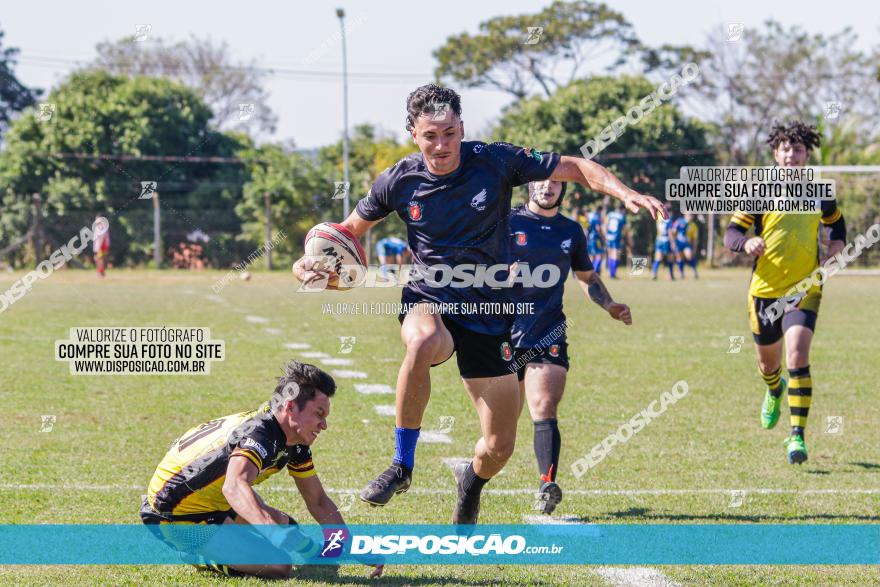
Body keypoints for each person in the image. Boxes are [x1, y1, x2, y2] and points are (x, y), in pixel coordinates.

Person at [293, 83, 666, 525]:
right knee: (422, 340)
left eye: (450, 133)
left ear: (462, 128)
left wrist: (623, 193)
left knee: (498, 446)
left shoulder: (494, 160)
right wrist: (311, 265)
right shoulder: (398, 180)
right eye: (431, 135)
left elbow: (575, 166)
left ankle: (471, 482)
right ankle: (401, 464)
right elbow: (347, 231)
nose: (442, 145)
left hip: (489, 309)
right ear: (414, 132)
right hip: (429, 294)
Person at [140, 360, 383, 579]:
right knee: (279, 565)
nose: (324, 424)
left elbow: (317, 500)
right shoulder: (259, 434)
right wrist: (271, 532)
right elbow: (234, 486)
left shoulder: (292, 440)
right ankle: (196, 555)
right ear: (290, 406)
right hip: (172, 514)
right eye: (319, 414)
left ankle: (315, 554)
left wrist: (347, 545)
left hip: (209, 499)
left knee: (285, 525)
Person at [724, 121, 845, 464]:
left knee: (797, 356)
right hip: (763, 291)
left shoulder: (819, 191)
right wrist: (746, 242)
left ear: (807, 154)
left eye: (798, 149)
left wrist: (837, 244)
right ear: (776, 154)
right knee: (768, 364)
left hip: (805, 288)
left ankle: (797, 438)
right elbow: (731, 233)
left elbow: (837, 222)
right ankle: (773, 389)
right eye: (785, 149)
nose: (792, 155)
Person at [510, 180, 632, 514]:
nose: (548, 187)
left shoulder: (570, 231)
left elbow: (586, 276)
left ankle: (546, 483)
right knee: (500, 433)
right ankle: (474, 478)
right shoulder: (506, 221)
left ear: (564, 191)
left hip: (548, 331)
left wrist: (609, 304)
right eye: (542, 181)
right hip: (502, 332)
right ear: (530, 185)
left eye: (556, 183)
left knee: (544, 403)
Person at [603, 204, 632, 279]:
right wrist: (629, 240)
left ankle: (611, 273)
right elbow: (625, 230)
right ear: (622, 210)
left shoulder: (610, 214)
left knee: (610, 255)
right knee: (615, 256)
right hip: (616, 238)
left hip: (609, 237)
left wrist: (605, 235)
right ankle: (613, 274)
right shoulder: (622, 217)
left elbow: (605, 225)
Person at [672, 212, 698, 278]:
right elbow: (673, 231)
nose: (691, 216)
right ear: (685, 215)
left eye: (692, 215)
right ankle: (681, 273)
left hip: (686, 244)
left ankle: (694, 271)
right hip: (678, 243)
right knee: (679, 258)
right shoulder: (679, 221)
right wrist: (673, 242)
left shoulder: (693, 225)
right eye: (689, 215)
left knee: (689, 256)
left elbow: (694, 239)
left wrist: (694, 248)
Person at [651, 215, 676, 280]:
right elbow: (670, 232)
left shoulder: (659, 217)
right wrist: (673, 242)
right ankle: (671, 275)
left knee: (658, 258)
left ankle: (654, 273)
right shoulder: (669, 218)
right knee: (670, 258)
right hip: (666, 240)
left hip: (659, 239)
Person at [585, 204, 606, 274]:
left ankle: (589, 271)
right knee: (599, 255)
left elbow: (586, 226)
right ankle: (595, 272)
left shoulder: (590, 215)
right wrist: (603, 236)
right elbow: (598, 228)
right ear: (601, 210)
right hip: (596, 239)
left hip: (590, 238)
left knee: (591, 256)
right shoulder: (597, 216)